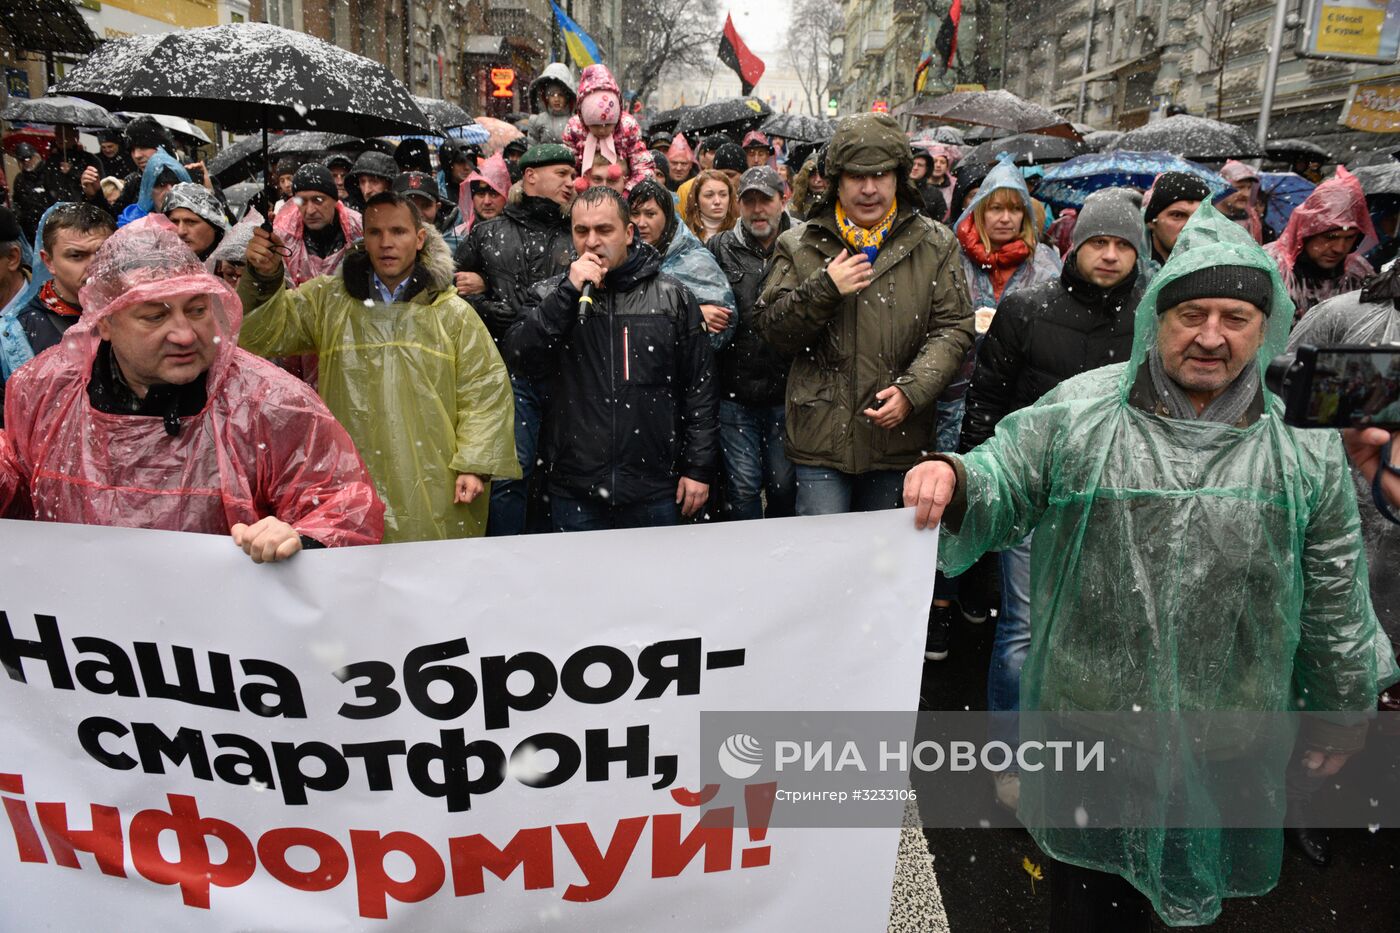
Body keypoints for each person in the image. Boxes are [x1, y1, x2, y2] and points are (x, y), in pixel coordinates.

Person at [903, 201, 1398, 930]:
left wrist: (1340, 714)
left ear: (1267, 330)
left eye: (1235, 317)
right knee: (1087, 904)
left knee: (1190, 900)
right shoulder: (1082, 414)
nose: (1210, 335)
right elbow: (1005, 470)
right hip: (1092, 721)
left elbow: (1332, 597)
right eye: (1191, 312)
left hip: (1228, 730)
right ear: (1155, 320)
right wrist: (955, 475)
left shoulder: (1304, 448)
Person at [1, 214, 384, 559]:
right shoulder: (44, 391)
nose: (185, 335)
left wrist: (301, 539)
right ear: (105, 322)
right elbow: (17, 493)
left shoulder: (274, 404)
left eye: (197, 310)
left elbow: (344, 507)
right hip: (83, 627)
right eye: (154, 316)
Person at [954, 188, 1147, 804]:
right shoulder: (1028, 308)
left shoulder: (1157, 317)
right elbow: (988, 396)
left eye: (1123, 245)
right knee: (1024, 627)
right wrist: (981, 484)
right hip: (1039, 496)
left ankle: (1092, 751)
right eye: (1099, 242)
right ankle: (1009, 757)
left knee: (1110, 627)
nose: (1111, 256)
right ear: (1075, 244)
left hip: (1123, 500)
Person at [240, 191, 519, 543]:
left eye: (398, 232)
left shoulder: (452, 314)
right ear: (363, 237)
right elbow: (262, 332)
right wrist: (263, 277)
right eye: (375, 232)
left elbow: (483, 391)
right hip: (348, 476)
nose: (386, 243)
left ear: (420, 239)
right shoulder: (329, 301)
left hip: (434, 480)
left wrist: (475, 464)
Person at [753, 113, 974, 516]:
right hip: (821, 439)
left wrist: (911, 391)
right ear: (837, 179)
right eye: (856, 176)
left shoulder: (935, 243)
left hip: (897, 438)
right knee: (823, 558)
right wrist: (823, 289)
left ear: (899, 178)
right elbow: (772, 330)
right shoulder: (799, 243)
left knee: (881, 563)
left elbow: (954, 329)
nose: (869, 189)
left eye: (881, 175)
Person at [503, 185, 718, 531]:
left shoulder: (672, 298)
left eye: (604, 230)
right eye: (581, 231)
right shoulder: (550, 294)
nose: (591, 241)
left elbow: (699, 389)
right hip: (576, 488)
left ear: (629, 233)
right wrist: (566, 296)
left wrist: (698, 468)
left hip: (655, 486)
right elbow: (520, 356)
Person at [453, 143, 577, 536]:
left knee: (565, 475)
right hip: (505, 373)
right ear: (530, 176)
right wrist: (486, 299)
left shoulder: (576, 234)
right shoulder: (488, 233)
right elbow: (452, 292)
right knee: (510, 474)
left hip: (567, 372)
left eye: (573, 176)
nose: (571, 183)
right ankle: (506, 560)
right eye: (562, 174)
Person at [707, 166, 800, 520]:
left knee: (782, 485)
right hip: (736, 391)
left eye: (766, 200)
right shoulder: (719, 247)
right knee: (743, 486)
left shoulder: (803, 244)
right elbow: (695, 290)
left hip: (786, 392)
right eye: (749, 201)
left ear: (783, 199)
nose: (758, 210)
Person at [627, 180, 737, 350]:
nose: (641, 223)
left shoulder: (693, 260)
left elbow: (722, 324)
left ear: (668, 216)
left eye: (650, 214)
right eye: (635, 213)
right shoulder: (620, 259)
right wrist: (691, 315)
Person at [1265, 166, 1377, 322]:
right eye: (1330, 237)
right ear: (1307, 232)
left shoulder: (1358, 272)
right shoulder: (1269, 267)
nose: (1340, 248)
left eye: (1349, 238)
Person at [561, 64, 651, 193]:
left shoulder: (627, 127)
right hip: (585, 193)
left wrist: (629, 191)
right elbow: (567, 165)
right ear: (584, 121)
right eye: (595, 125)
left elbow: (642, 164)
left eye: (608, 125)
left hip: (621, 191)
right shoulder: (575, 129)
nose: (602, 130)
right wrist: (575, 187)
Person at [275, 164, 364, 288]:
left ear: (334, 200)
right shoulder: (284, 236)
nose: (310, 210)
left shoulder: (358, 227)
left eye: (318, 200)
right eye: (301, 201)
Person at [1144, 171, 1210, 268]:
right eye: (1178, 215)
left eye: (1200, 216)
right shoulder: (1132, 271)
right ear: (1152, 221)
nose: (1191, 225)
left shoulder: (1219, 265)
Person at [393, 171, 463, 253]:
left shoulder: (458, 244)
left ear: (437, 207)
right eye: (409, 205)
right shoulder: (379, 243)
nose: (418, 214)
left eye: (426, 206)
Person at [161, 183, 229, 263]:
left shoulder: (230, 270)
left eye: (190, 222)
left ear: (214, 226)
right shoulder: (155, 268)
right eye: (174, 221)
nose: (180, 232)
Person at [455, 152, 511, 236]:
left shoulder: (517, 234)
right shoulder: (460, 235)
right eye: (481, 194)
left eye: (494, 194)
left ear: (505, 195)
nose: (487, 201)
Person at [682, 169, 738, 244]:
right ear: (696, 199)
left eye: (723, 195)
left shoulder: (740, 234)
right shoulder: (683, 236)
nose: (717, 201)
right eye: (709, 195)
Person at [528, 62, 578, 145]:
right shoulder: (537, 121)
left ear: (567, 97)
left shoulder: (575, 122)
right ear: (546, 98)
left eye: (560, 95)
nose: (556, 99)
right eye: (552, 95)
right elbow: (531, 150)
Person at [11, 143, 51, 242]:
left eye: (28, 158)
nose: (25, 162)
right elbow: (17, 201)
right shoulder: (20, 179)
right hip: (28, 228)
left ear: (35, 156)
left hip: (48, 224)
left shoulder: (48, 173)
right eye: (21, 160)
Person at [435, 139, 480, 206]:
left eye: (470, 160)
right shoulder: (436, 191)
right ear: (449, 165)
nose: (467, 167)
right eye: (460, 161)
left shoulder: (479, 186)